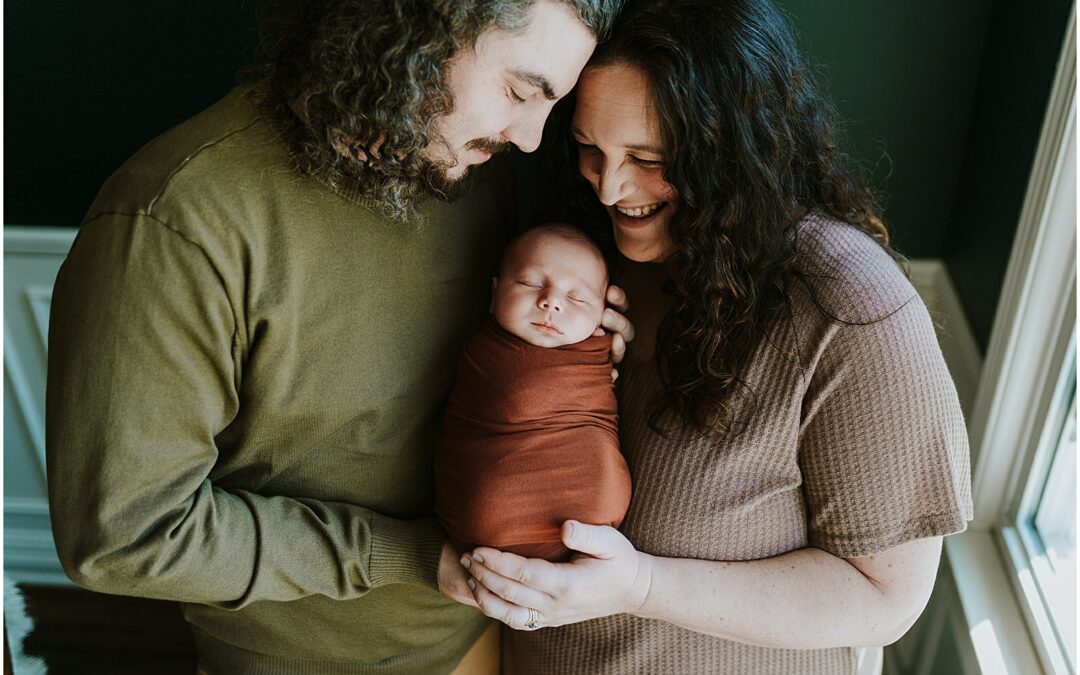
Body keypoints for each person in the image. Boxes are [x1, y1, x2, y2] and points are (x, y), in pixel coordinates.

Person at [44, 1, 631, 673]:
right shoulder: (175, 224)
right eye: (520, 91)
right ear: (416, 27)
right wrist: (409, 557)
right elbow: (121, 535)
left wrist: (580, 350)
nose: (530, 138)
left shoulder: (466, 156)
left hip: (487, 637)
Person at [456, 1, 974, 673]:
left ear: (732, 148)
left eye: (648, 158)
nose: (612, 188)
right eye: (590, 148)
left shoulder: (850, 311)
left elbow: (887, 596)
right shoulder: (580, 250)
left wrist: (643, 584)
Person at [435, 224, 631, 562]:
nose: (552, 302)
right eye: (531, 284)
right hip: (492, 517)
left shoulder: (598, 352)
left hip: (594, 516)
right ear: (494, 294)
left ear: (602, 317)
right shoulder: (483, 353)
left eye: (577, 298)